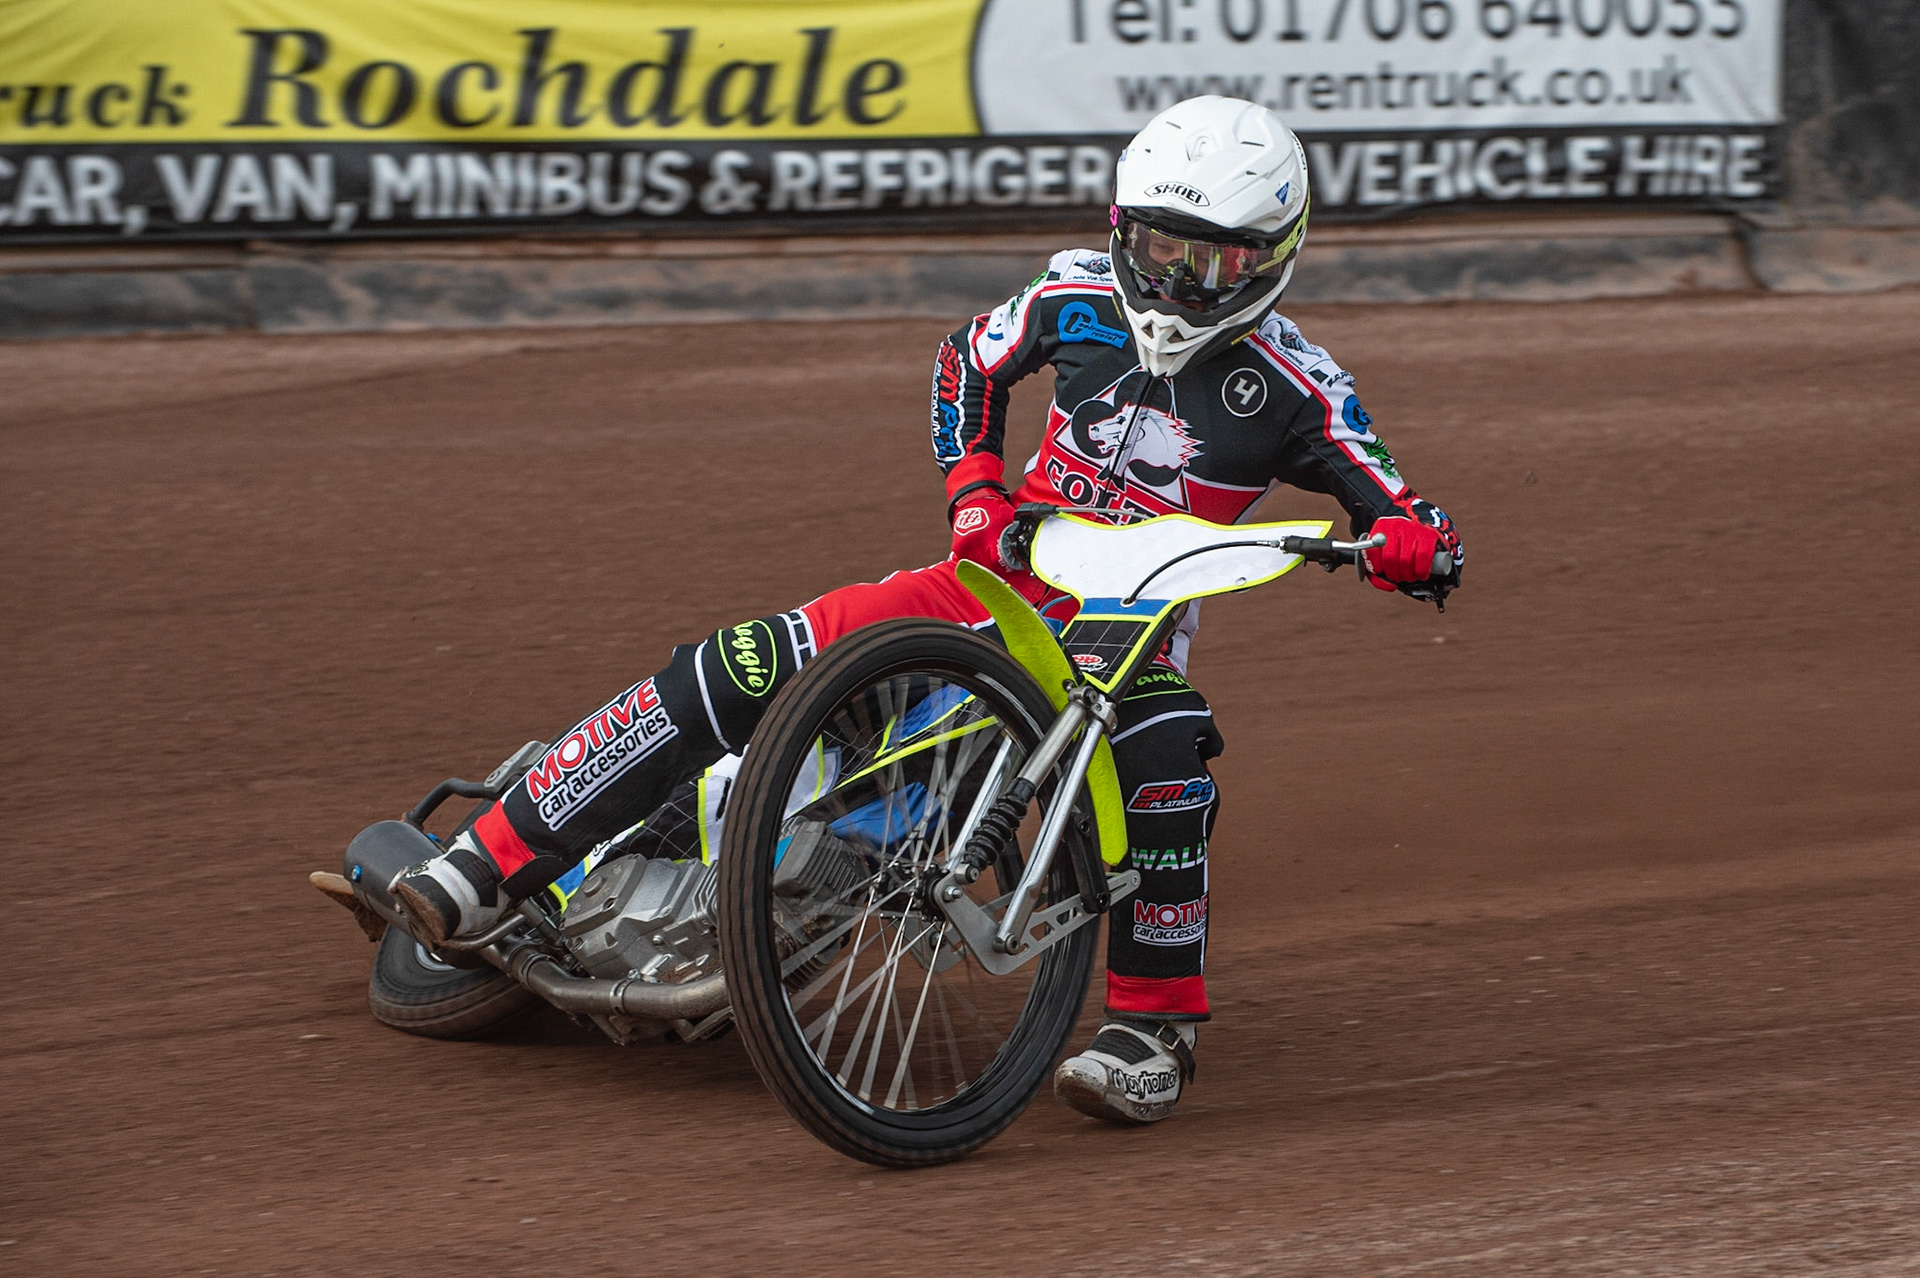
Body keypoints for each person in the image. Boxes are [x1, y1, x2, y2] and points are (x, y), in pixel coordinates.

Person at [392, 95, 1462, 1125]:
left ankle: (1153, 1034)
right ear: (1118, 229)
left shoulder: (1301, 383)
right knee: (756, 658)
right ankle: (488, 860)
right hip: (983, 583)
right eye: (1156, 247)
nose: (1175, 282)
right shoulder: (1072, 292)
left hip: (1122, 642)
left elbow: (1405, 509)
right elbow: (965, 362)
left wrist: (1416, 546)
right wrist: (976, 497)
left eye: (1211, 261)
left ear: (1273, 257)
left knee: (1167, 759)